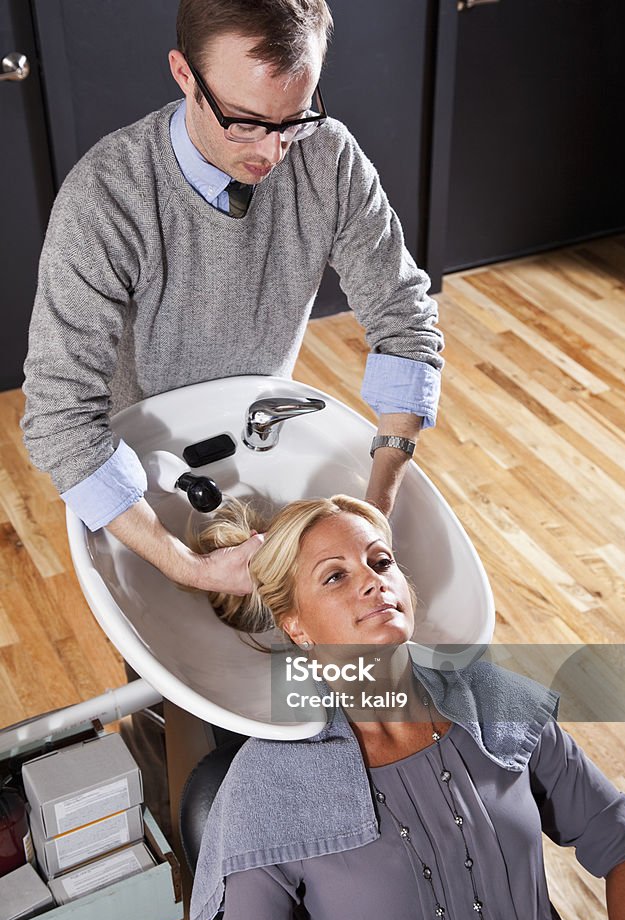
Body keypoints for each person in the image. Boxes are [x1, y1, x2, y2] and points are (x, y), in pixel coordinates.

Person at [186, 495, 625, 920]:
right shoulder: (268, 785)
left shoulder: (495, 702)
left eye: (381, 561)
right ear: (295, 625)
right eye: (335, 577)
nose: (374, 581)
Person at [20, 0, 443, 599]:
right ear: (184, 74)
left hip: (255, 426)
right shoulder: (106, 198)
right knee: (165, 660)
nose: (272, 155)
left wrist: (375, 508)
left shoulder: (327, 156)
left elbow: (403, 320)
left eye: (293, 120)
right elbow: (59, 418)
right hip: (132, 468)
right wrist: (184, 566)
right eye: (245, 122)